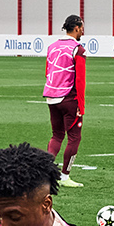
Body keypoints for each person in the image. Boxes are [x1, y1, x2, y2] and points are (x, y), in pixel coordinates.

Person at [44, 14, 87, 188]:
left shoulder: (52, 47)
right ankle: (64, 176)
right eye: (82, 27)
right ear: (76, 28)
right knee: (74, 137)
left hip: (51, 95)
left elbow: (48, 71)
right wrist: (81, 106)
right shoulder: (78, 49)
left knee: (57, 135)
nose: (83, 31)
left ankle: (45, 173)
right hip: (69, 97)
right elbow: (80, 80)